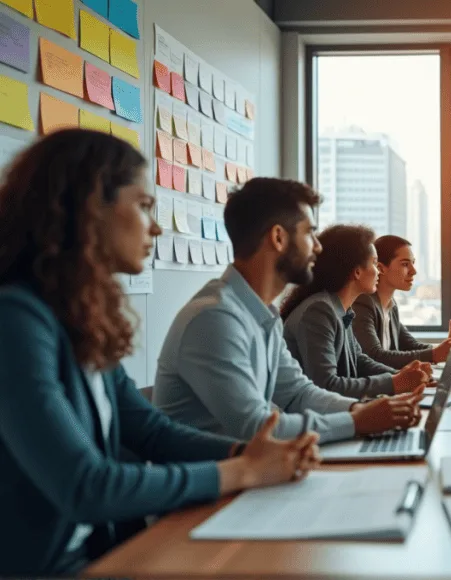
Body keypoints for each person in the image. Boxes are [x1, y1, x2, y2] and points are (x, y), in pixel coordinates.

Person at [0, 130, 321, 576]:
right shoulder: (15, 320)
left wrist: (251, 453)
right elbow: (86, 487)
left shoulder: (80, 317)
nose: (155, 226)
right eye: (144, 205)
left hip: (102, 555)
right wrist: (243, 472)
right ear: (90, 208)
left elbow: (151, 431)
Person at [154, 179, 421, 444]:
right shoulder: (215, 319)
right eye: (309, 233)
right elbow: (256, 426)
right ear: (279, 237)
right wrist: (356, 420)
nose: (317, 246)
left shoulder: (261, 313)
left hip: (254, 472)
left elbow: (299, 394)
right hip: (219, 481)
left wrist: (359, 411)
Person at [281, 225, 432, 399]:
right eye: (375, 263)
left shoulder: (340, 309)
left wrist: (402, 376)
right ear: (357, 271)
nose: (378, 272)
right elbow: (326, 385)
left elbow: (359, 360)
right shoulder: (319, 312)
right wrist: (396, 382)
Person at [352, 235, 451, 367]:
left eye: (413, 263)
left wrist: (450, 349)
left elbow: (410, 345)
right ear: (381, 268)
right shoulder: (363, 303)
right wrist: (436, 353)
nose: (413, 271)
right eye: (405, 264)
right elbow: (375, 356)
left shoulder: (390, 306)